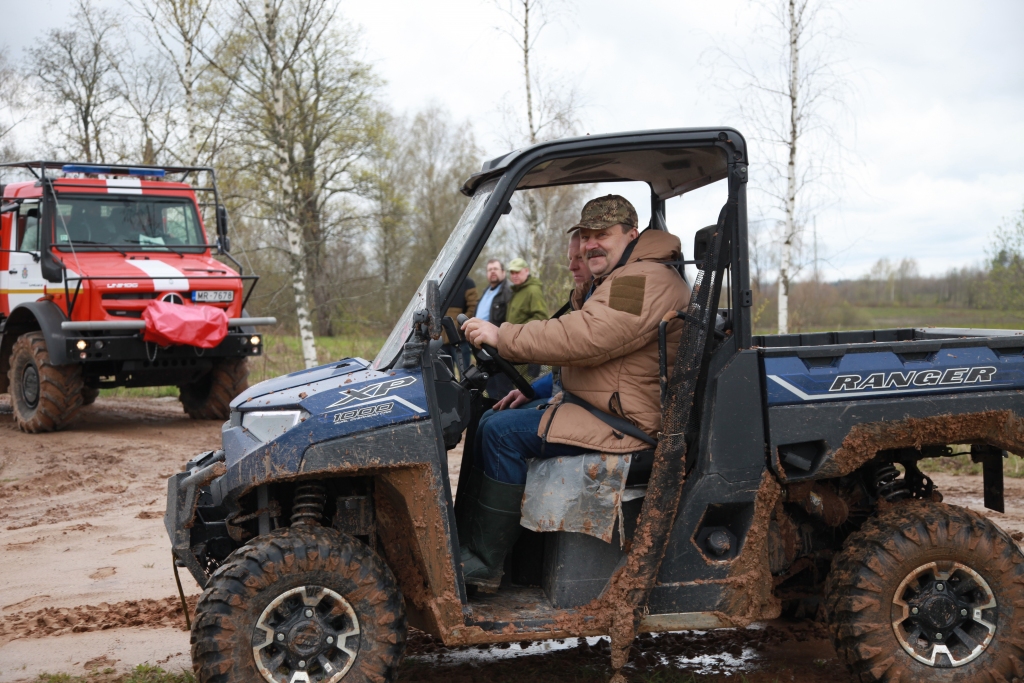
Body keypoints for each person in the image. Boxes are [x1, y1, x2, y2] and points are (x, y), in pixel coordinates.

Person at [458, 194, 690, 589]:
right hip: (602, 406)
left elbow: (589, 338)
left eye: (603, 234)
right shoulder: (618, 277)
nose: (590, 244)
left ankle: (485, 564)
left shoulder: (642, 279)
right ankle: (469, 544)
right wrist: (536, 388)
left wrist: (504, 335)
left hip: (625, 422)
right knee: (490, 419)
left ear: (632, 234)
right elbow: (598, 361)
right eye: (586, 235)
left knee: (500, 434)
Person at [505, 258, 549, 325]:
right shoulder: (516, 290)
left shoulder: (533, 290)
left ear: (527, 271)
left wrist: (519, 329)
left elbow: (541, 317)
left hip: (522, 334)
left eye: (517, 272)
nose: (514, 276)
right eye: (512, 273)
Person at [475, 259, 513, 325]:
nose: (492, 271)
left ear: (503, 272)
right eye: (490, 270)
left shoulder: (509, 290)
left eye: (495, 269)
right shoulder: (485, 291)